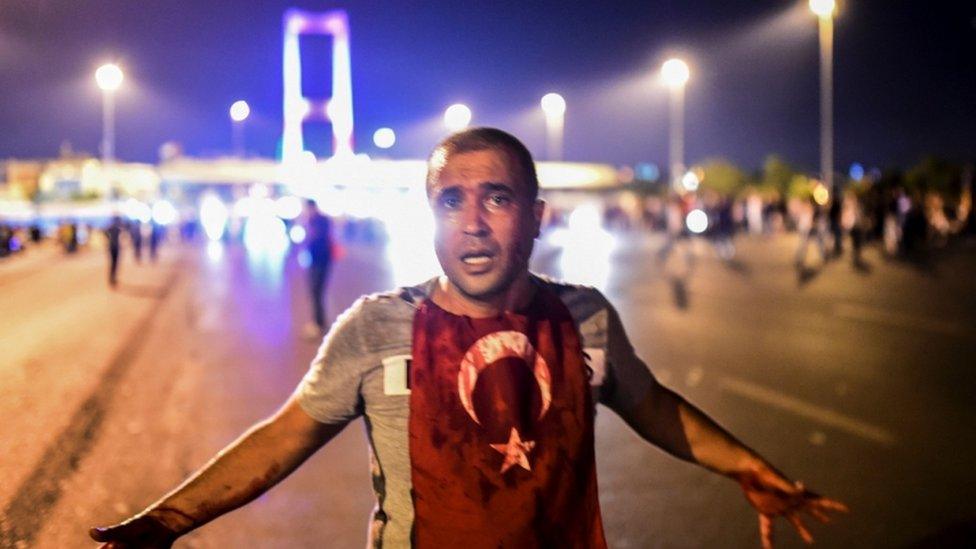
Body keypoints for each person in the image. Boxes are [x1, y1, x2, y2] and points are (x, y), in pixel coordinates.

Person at [90, 128, 846, 549]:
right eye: (451, 200)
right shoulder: (378, 328)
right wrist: (167, 521)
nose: (474, 221)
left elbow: (651, 405)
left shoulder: (585, 320)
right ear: (432, 217)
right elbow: (283, 436)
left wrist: (743, 464)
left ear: (537, 215)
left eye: (498, 197)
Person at [302, 199, 335, 338]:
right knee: (316, 292)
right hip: (317, 261)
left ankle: (319, 324)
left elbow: (318, 240)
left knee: (317, 292)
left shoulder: (319, 220)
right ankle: (319, 322)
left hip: (321, 261)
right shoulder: (314, 220)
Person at [105, 216, 124, 287]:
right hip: (116, 247)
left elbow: (106, 233)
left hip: (111, 247)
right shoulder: (118, 228)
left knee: (112, 263)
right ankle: (113, 277)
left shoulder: (110, 227)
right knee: (115, 264)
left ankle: (111, 277)